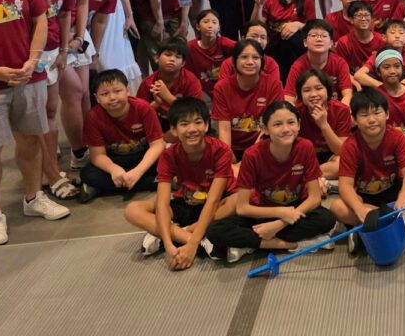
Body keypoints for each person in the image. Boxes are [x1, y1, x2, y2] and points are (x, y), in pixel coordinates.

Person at [0, 0, 70, 247]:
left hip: (28, 75)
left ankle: (33, 197)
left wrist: (33, 61)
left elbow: (40, 17)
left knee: (32, 140)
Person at [0, 0, 76, 199]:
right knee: (34, 119)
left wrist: (64, 50)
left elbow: (64, 14)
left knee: (49, 112)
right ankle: (49, 175)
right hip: (23, 54)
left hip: (51, 50)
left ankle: (49, 168)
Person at [205, 101, 337, 263]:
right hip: (263, 211)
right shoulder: (252, 155)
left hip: (296, 209)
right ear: (265, 129)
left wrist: (279, 224)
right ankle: (287, 245)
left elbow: (314, 198)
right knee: (215, 230)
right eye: (277, 124)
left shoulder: (305, 147)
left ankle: (252, 244)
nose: (286, 129)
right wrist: (280, 213)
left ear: (299, 125)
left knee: (327, 219)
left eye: (291, 122)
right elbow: (242, 208)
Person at [123, 97, 236, 266]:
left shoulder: (221, 150)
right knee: (132, 210)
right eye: (184, 124)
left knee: (238, 201)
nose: (192, 129)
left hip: (217, 207)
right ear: (174, 130)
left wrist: (189, 241)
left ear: (206, 126)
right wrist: (170, 246)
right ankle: (199, 242)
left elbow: (213, 200)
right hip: (187, 203)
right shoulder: (168, 156)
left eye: (198, 122)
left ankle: (174, 232)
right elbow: (162, 203)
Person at [330, 88, 405, 245]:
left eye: (377, 112)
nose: (372, 120)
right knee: (337, 207)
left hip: (393, 192)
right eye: (364, 115)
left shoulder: (397, 137)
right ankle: (402, 219)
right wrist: (358, 208)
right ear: (354, 119)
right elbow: (345, 185)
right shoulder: (350, 146)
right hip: (365, 197)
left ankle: (368, 225)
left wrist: (404, 197)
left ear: (387, 114)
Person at [79, 69, 165, 202]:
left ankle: (101, 188)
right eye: (104, 94)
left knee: (168, 160)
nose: (112, 97)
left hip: (143, 156)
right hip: (115, 159)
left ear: (127, 91)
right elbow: (97, 156)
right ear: (97, 98)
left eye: (117, 91)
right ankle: (152, 182)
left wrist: (138, 171)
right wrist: (113, 169)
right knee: (88, 173)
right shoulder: (93, 117)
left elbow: (157, 145)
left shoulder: (143, 108)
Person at [56, 0, 94, 192]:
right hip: (53, 37)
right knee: (72, 92)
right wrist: (63, 42)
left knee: (84, 94)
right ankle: (78, 154)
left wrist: (79, 36)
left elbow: (82, 1)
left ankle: (89, 148)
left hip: (76, 34)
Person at [211, 40, 285, 161]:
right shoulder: (222, 88)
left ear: (262, 61)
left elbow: (271, 125)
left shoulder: (274, 85)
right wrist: (229, 158)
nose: (250, 62)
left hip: (264, 145)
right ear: (234, 62)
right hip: (233, 148)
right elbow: (224, 129)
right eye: (244, 57)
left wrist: (249, 158)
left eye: (255, 57)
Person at [252, 0, 314, 77]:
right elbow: (256, 26)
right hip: (271, 45)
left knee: (291, 39)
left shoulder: (308, 0)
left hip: (295, 48)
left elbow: (313, 28)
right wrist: (258, 6)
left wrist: (298, 25)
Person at [136, 38, 202, 131]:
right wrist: (156, 103)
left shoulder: (191, 81)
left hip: (185, 124)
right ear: (157, 58)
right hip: (157, 125)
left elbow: (195, 111)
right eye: (168, 55)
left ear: (183, 63)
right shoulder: (147, 83)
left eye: (177, 57)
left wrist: (168, 97)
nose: (172, 59)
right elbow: (139, 114)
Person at [293, 68, 351, 175]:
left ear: (328, 91)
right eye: (307, 90)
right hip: (304, 157)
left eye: (319, 88)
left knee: (343, 163)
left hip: (330, 155)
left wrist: (324, 124)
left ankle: (308, 176)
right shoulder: (295, 112)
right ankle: (313, 176)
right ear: (300, 95)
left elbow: (342, 151)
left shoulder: (341, 110)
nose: (313, 94)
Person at [283, 19, 353, 105]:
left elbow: (347, 95)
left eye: (324, 36)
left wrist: (339, 111)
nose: (319, 39)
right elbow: (289, 97)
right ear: (305, 42)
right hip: (307, 109)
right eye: (314, 35)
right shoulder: (298, 66)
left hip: (334, 109)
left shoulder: (339, 63)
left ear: (331, 43)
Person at [184, 9, 235, 96]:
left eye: (214, 22)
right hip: (201, 90)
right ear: (197, 26)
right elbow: (187, 74)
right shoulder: (190, 47)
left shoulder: (225, 43)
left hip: (226, 89)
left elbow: (244, 49)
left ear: (219, 27)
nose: (210, 25)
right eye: (206, 22)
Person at [352, 20, 405, 88]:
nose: (397, 36)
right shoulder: (377, 55)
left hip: (401, 89)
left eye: (401, 33)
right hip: (381, 90)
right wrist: (383, 87)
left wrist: (396, 88)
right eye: (393, 33)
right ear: (384, 37)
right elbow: (358, 75)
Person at [333, 1, 386, 74]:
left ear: (372, 19)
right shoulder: (343, 43)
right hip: (353, 79)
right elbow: (343, 71)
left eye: (366, 15)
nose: (363, 19)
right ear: (351, 20)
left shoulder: (382, 40)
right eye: (359, 15)